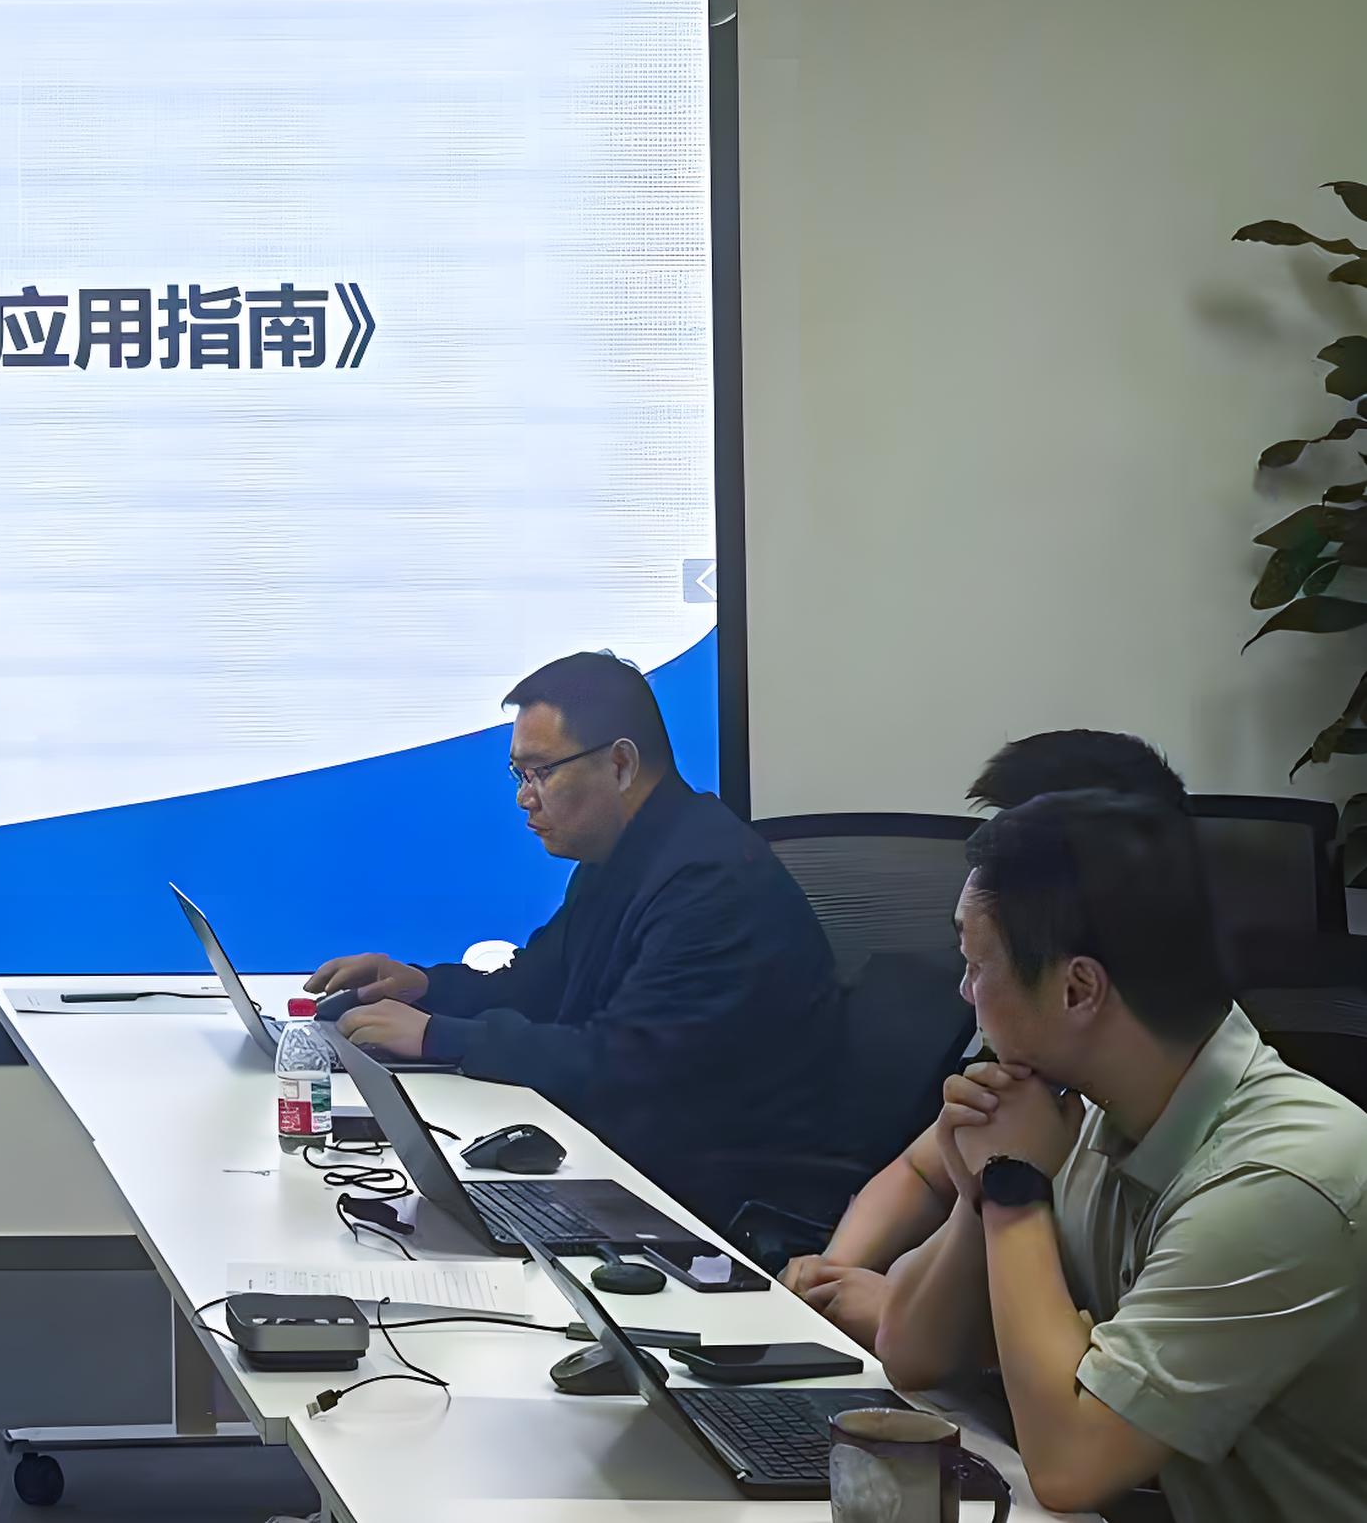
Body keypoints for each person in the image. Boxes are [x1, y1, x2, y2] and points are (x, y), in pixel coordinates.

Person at [873, 792, 1367, 1522]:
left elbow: (1071, 1467)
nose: (965, 991)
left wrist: (1013, 1191)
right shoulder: (1087, 1110)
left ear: (1078, 990)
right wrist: (980, 1193)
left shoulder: (1282, 1183)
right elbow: (913, 1353)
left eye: (977, 965)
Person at [303, 651, 841, 1222]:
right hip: (639, 1162)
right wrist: (423, 988)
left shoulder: (714, 883)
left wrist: (439, 1037)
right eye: (519, 774)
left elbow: (625, 1066)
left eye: (542, 772)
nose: (524, 796)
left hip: (724, 1205)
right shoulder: (620, 856)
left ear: (620, 765)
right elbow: (537, 985)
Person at [784, 728, 1184, 1347]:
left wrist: (909, 1315)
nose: (968, 991)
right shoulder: (1042, 1056)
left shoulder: (1152, 1094)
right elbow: (923, 1171)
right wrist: (835, 1273)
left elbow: (1090, 1381)